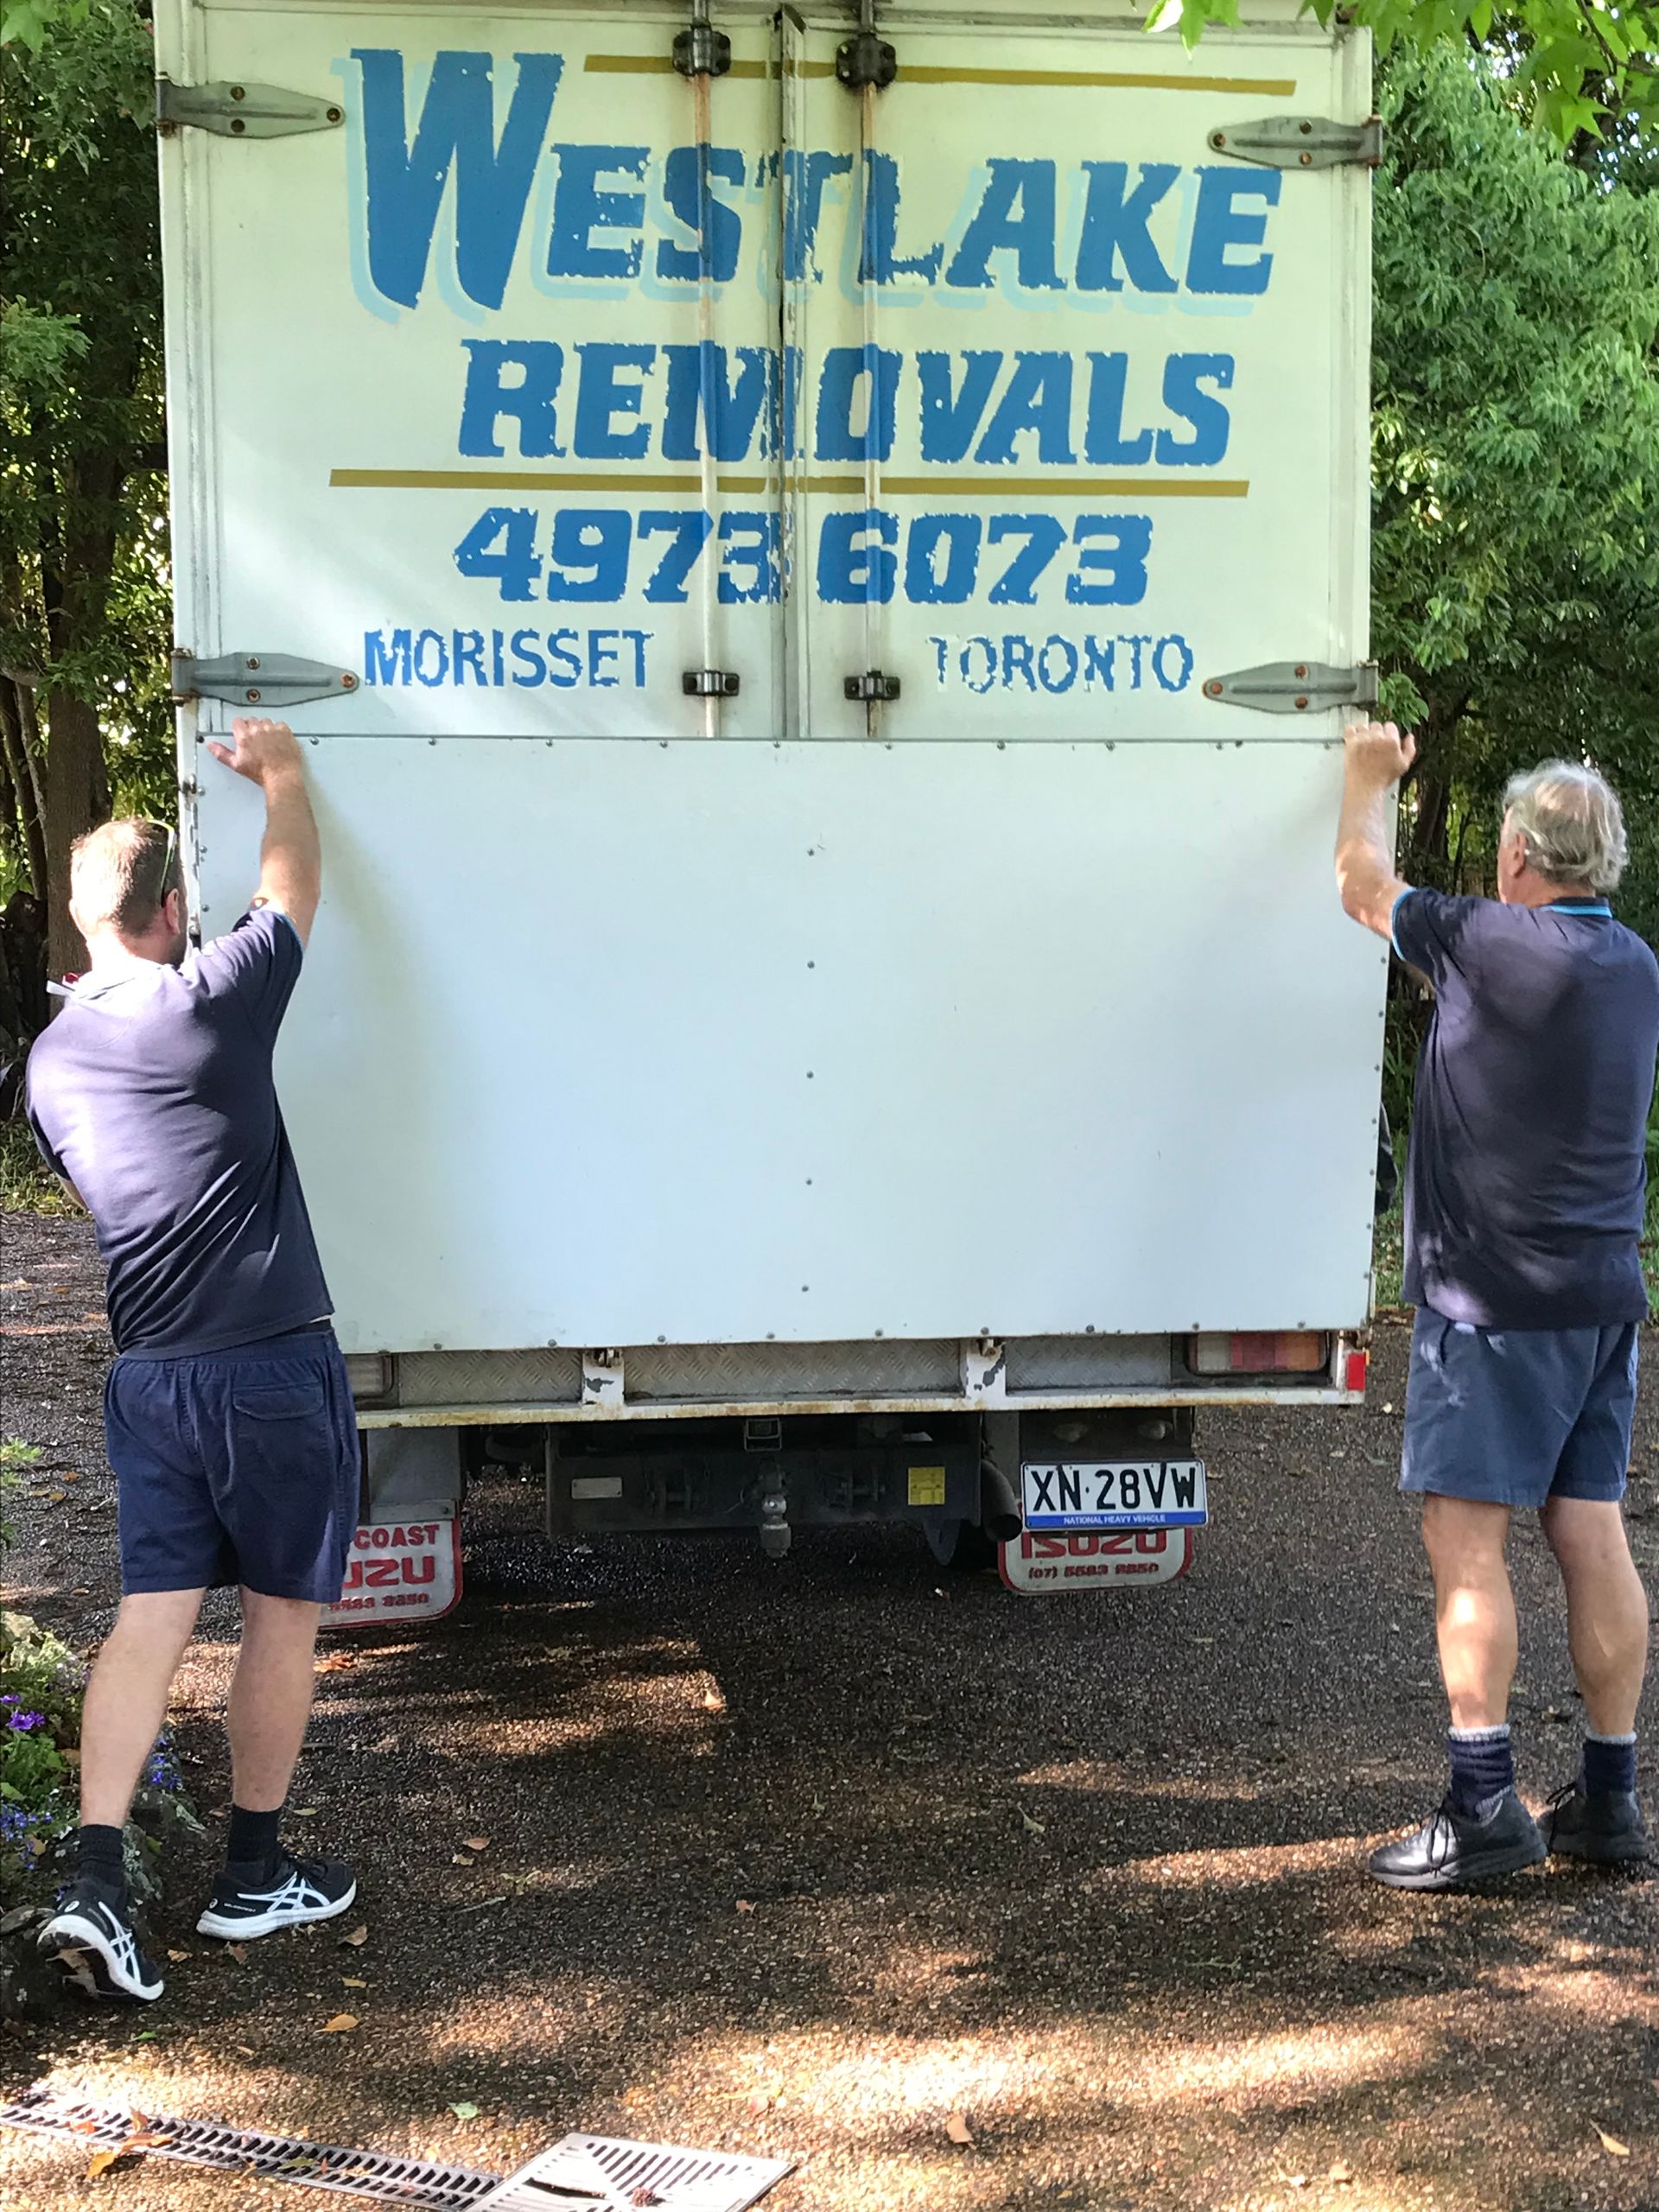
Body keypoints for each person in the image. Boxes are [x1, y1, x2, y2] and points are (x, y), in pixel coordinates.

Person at [25, 718, 359, 2000]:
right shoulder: (210, 1004)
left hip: (147, 1377)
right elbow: (294, 887)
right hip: (268, 1367)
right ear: (173, 910)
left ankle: (93, 1881)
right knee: (281, 1615)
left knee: (149, 1621)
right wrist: (282, 773)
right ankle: (253, 1878)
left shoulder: (51, 1065)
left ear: (84, 921)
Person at [1336, 721, 1659, 1891]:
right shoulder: (1635, 964)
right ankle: (1609, 1801)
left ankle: (1484, 1809)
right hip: (1601, 1299)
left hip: (1490, 1303)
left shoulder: (1482, 938)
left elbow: (1362, 885)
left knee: (1466, 1543)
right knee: (1589, 1528)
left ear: (1518, 855)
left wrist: (1367, 780)